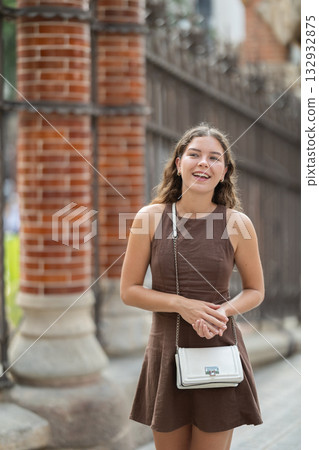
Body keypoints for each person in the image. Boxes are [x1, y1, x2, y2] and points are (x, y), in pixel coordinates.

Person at [120, 123, 264, 450]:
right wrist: (182, 305)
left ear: (225, 172)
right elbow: (128, 290)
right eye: (194, 154)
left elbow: (256, 290)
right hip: (165, 351)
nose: (203, 163)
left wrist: (220, 312)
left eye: (214, 158)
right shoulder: (150, 218)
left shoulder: (238, 224)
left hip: (218, 349)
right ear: (178, 163)